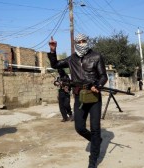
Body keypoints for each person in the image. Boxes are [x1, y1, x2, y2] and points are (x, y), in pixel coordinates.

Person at [48, 34, 108, 168]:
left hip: (94, 97)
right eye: (78, 42)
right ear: (75, 43)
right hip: (79, 96)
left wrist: (97, 85)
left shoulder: (96, 56)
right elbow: (55, 64)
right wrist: (53, 51)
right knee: (79, 127)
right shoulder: (72, 59)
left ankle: (92, 161)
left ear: (87, 41)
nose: (81, 43)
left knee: (95, 128)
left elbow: (103, 75)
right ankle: (96, 141)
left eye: (83, 41)